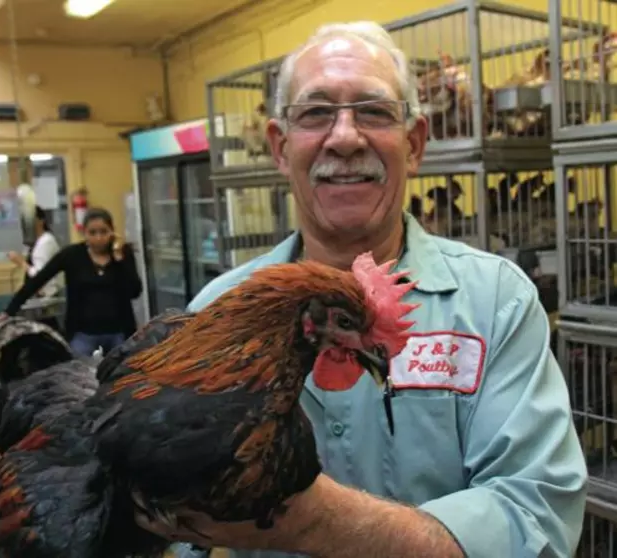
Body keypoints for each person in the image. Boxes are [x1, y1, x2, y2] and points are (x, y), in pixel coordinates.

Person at [138, 22, 588, 558]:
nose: (346, 137)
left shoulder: (497, 302)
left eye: (374, 111)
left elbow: (536, 517)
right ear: (280, 149)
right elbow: (174, 524)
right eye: (315, 113)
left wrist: (313, 522)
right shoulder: (215, 312)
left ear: (415, 144)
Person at [0, 207, 142, 357]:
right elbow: (38, 280)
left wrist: (120, 259)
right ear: (84, 233)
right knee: (80, 376)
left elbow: (135, 291)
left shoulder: (122, 253)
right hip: (83, 334)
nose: (99, 238)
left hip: (119, 333)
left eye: (104, 232)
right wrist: (10, 311)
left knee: (121, 377)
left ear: (112, 231)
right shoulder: (72, 255)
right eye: (92, 233)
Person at [6, 206, 62, 298]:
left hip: (48, 298)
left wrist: (21, 262)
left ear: (41, 221)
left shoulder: (46, 242)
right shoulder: (36, 242)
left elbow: (40, 276)